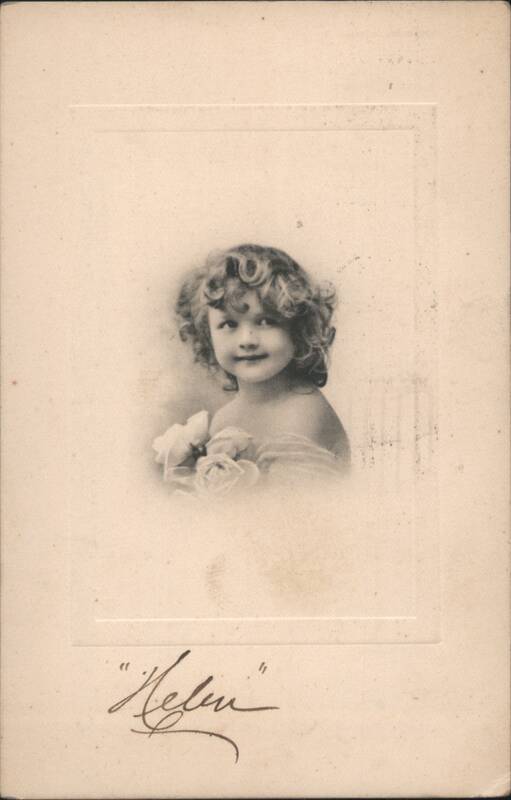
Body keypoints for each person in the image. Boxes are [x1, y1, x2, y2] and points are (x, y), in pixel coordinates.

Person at [154, 244, 350, 495]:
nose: (247, 339)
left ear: (297, 329)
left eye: (266, 321)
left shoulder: (303, 414)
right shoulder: (224, 418)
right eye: (229, 324)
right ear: (206, 335)